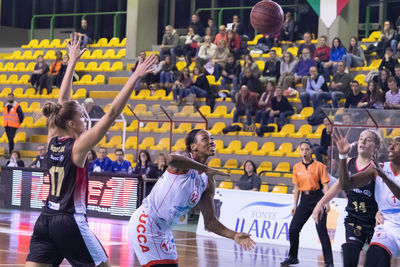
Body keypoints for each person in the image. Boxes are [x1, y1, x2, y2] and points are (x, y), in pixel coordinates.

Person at [25, 32, 156, 266]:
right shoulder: (78, 146)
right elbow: (113, 113)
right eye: (82, 118)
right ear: (73, 124)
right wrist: (135, 76)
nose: (86, 121)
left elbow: (61, 100)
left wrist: (72, 61)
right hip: (69, 221)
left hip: (45, 219)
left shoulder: (52, 137)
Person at [128, 129, 255, 266]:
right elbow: (172, 159)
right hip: (147, 222)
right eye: (205, 139)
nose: (211, 142)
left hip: (164, 229)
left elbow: (210, 222)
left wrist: (234, 235)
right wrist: (205, 169)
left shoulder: (207, 182)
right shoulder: (183, 158)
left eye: (212, 139)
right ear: (193, 146)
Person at [312, 129, 381, 267]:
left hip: (375, 221)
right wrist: (320, 204)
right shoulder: (349, 162)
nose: (363, 141)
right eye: (361, 138)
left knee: (375, 261)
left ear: (376, 147)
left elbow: (387, 195)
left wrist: (382, 211)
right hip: (353, 219)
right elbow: (338, 186)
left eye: (368, 139)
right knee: (350, 253)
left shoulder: (379, 168)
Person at [335, 131, 400, 267]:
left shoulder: (381, 172)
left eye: (397, 144)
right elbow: (346, 185)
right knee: (373, 258)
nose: (391, 147)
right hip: (387, 228)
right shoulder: (378, 168)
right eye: (390, 144)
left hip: (379, 220)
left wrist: (385, 178)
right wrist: (342, 156)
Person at [280, 141, 333, 267]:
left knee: (322, 231)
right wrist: (295, 205)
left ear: (311, 151)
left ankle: (329, 263)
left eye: (307, 149)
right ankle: (293, 257)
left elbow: (325, 184)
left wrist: (326, 202)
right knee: (293, 229)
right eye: (302, 149)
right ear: (300, 151)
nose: (304, 152)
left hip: (318, 200)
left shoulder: (320, 166)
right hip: (304, 201)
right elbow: (296, 187)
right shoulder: (296, 167)